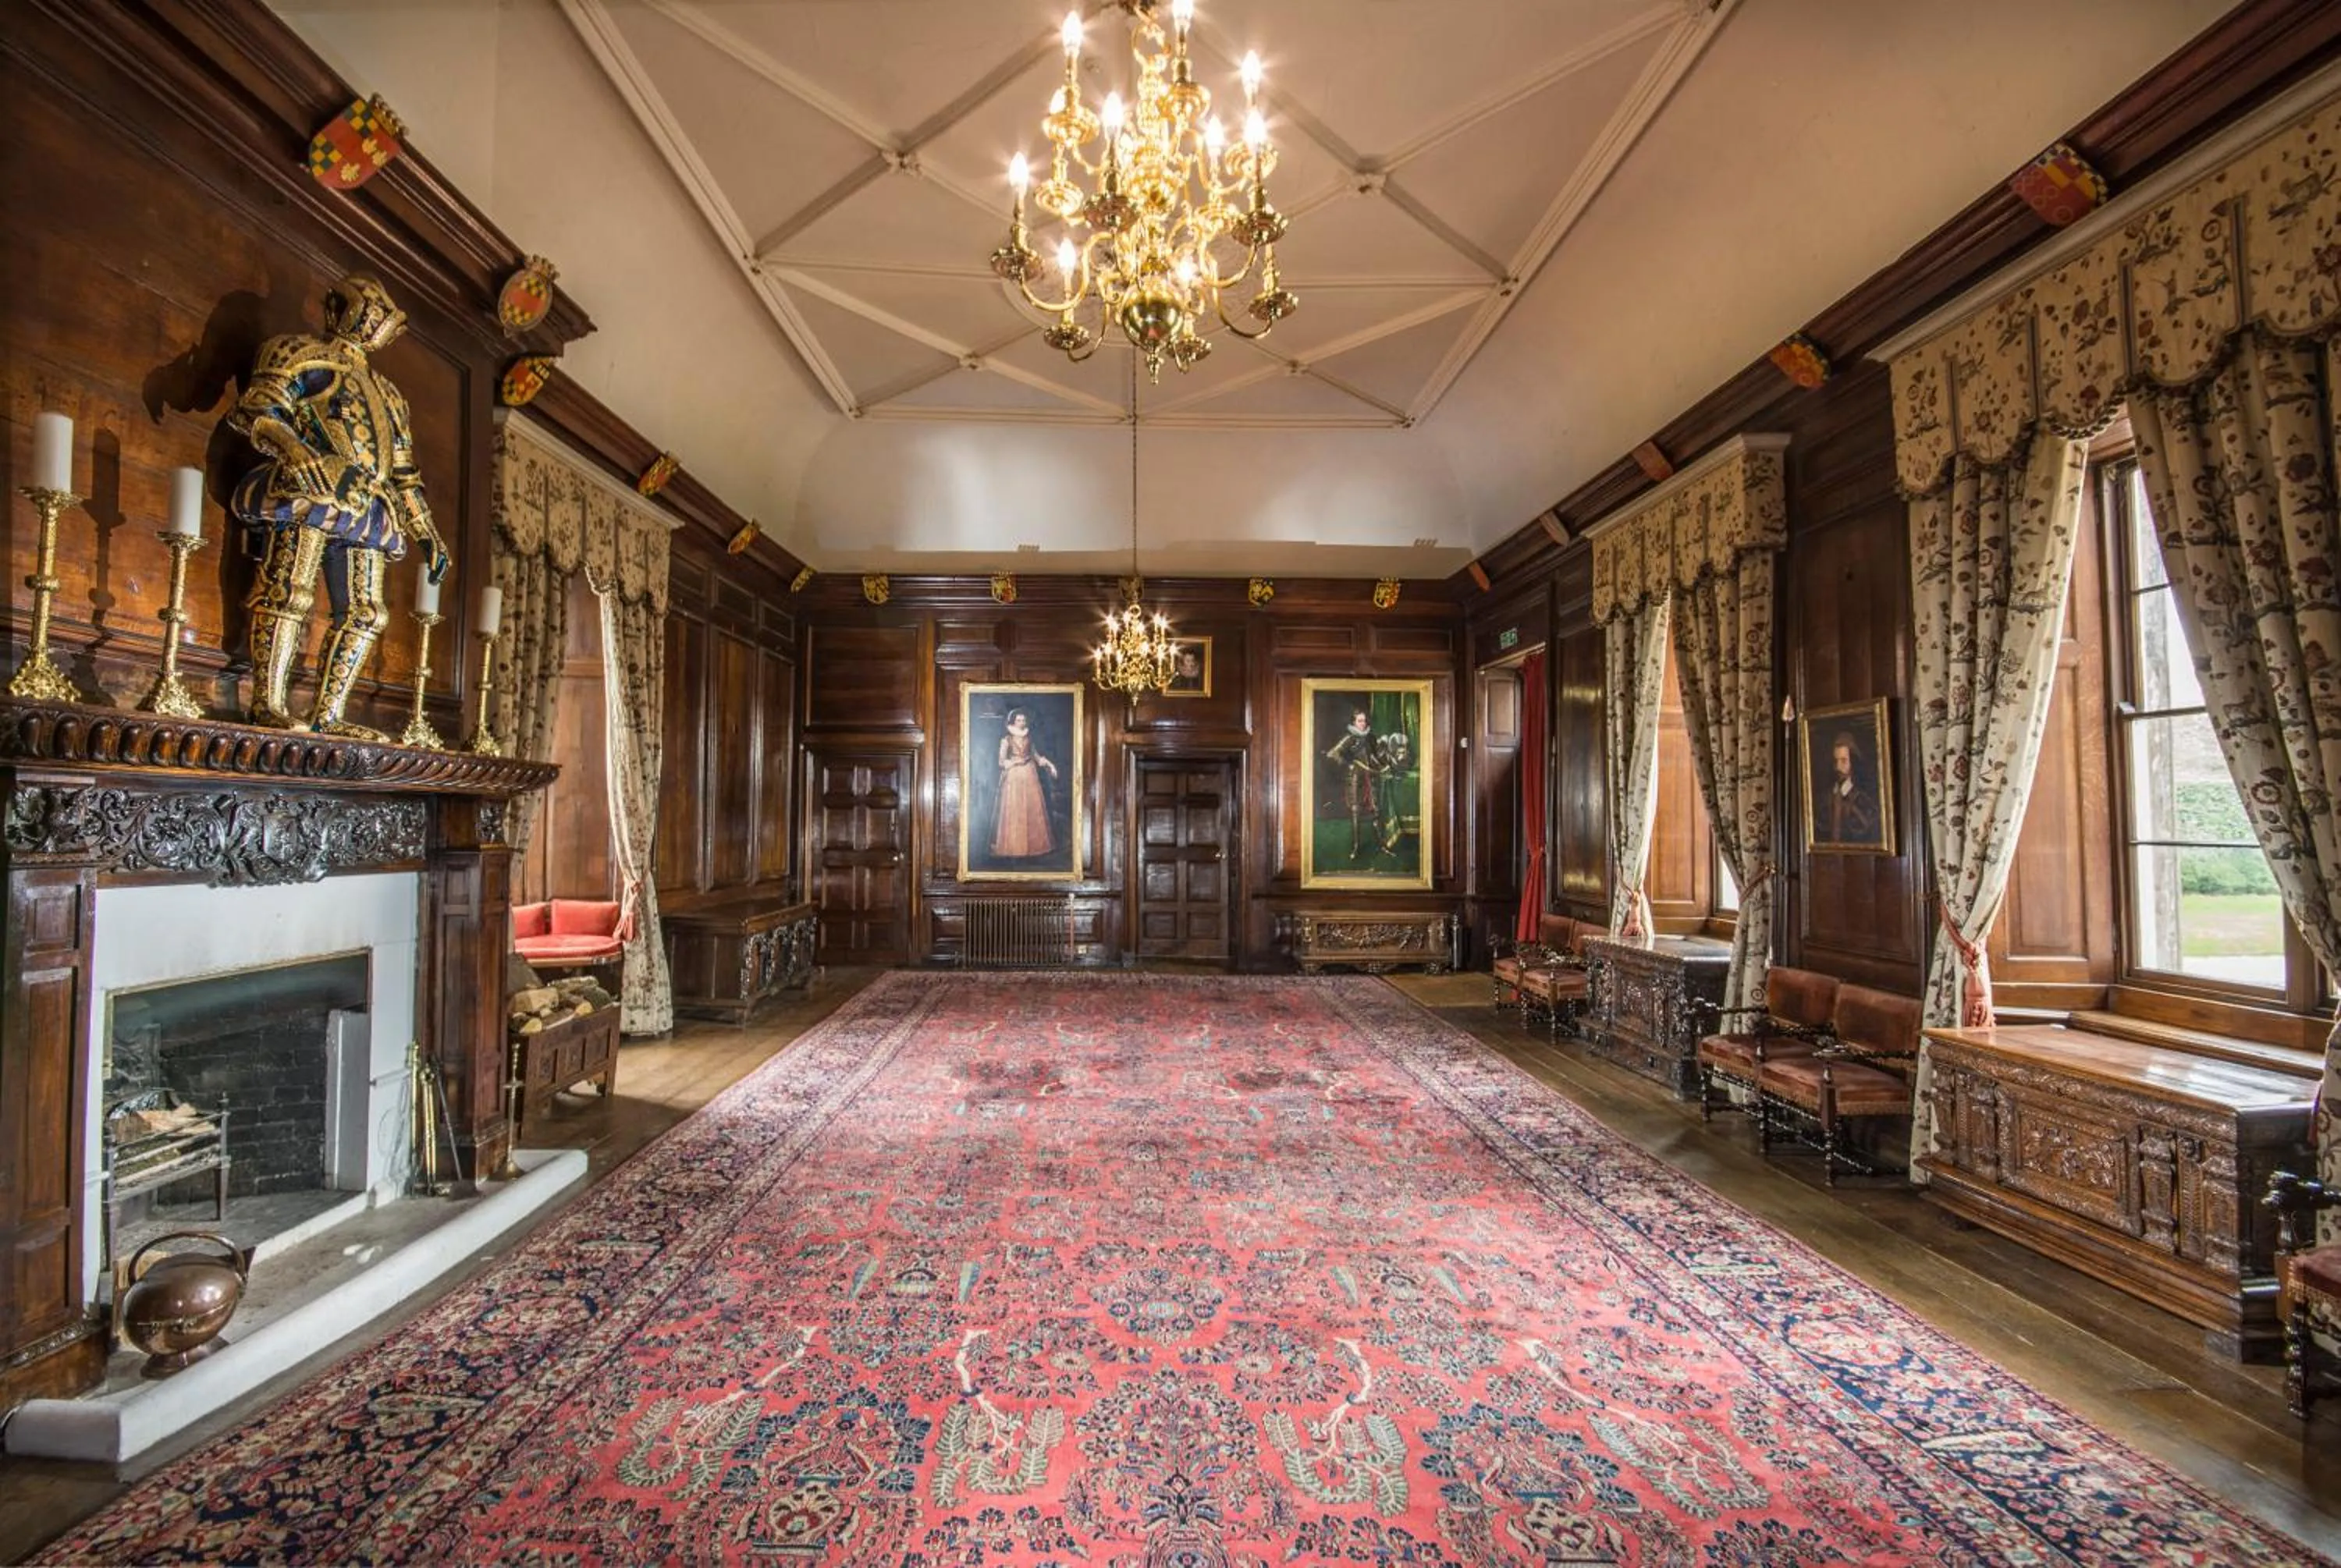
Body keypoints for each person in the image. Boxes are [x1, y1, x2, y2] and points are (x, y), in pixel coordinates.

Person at [229, 272, 448, 737]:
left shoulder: (390, 395)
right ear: (334, 308)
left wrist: (426, 531)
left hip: (369, 503)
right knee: (289, 591)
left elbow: (404, 473)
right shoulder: (298, 353)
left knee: (367, 612)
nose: (370, 321)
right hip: (310, 486)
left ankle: (328, 715)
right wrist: (298, 451)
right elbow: (260, 410)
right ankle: (268, 704)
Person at [990, 708, 1060, 858]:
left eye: (1023, 720)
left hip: (1029, 774)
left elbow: (1036, 757)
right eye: (1019, 721)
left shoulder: (1029, 738)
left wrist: (1050, 764)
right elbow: (1001, 761)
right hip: (1014, 776)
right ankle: (1015, 847)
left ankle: (1033, 847)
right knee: (1015, 810)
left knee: (1032, 809)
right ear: (1013, 722)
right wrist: (1013, 763)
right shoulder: (1007, 739)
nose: (1022, 723)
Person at [1323, 707, 1384, 863]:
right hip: (1356, 780)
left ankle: (1382, 844)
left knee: (1377, 811)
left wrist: (1382, 761)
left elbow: (1375, 756)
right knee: (1356, 813)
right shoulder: (1349, 738)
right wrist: (1350, 763)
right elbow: (1333, 754)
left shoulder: (1371, 737)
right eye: (1360, 721)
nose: (1363, 724)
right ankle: (1356, 847)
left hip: (1371, 778)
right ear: (1354, 722)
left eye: (1364, 721)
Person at [1817, 730, 1881, 846]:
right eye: (1836, 761)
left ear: (1854, 762)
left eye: (1843, 761)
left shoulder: (1863, 797)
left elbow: (1867, 829)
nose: (1838, 767)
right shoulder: (1827, 796)